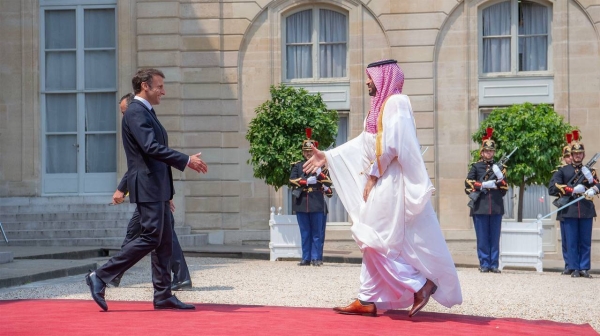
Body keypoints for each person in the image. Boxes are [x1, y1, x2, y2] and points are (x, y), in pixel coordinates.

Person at [302, 59, 462, 317]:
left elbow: (393, 145)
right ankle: (366, 298)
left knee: (370, 239)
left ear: (384, 78)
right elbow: (362, 144)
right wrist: (328, 157)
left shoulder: (397, 103)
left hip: (390, 183)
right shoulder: (376, 110)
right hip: (381, 182)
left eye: (370, 77)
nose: (367, 82)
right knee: (372, 239)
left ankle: (420, 284)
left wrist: (373, 176)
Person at [85, 68, 207, 311]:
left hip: (157, 187)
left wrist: (168, 192)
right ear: (144, 86)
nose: (164, 91)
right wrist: (185, 160)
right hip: (148, 185)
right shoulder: (135, 111)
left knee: (163, 242)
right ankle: (100, 276)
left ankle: (163, 295)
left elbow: (154, 152)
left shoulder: (146, 112)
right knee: (151, 236)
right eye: (159, 86)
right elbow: (150, 148)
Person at [110, 93, 192, 291]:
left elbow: (140, 164)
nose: (124, 117)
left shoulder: (139, 120)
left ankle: (109, 274)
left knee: (144, 235)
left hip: (150, 192)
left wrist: (121, 189)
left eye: (124, 112)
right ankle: (179, 279)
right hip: (155, 191)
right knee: (164, 235)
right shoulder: (145, 122)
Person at [548, 131, 596, 278]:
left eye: (580, 154)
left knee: (585, 241)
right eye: (575, 154)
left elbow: (597, 184)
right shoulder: (563, 170)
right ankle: (574, 267)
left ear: (583, 155)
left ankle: (584, 268)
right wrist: (572, 189)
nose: (577, 156)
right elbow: (554, 186)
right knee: (572, 241)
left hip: (586, 209)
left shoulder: (590, 171)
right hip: (570, 210)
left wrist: (593, 188)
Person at [464, 128, 508, 274]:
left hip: (495, 206)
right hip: (480, 206)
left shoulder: (499, 168)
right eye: (487, 151)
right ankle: (484, 263)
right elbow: (468, 183)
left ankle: (494, 264)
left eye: (491, 151)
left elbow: (505, 188)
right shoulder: (476, 167)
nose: (489, 153)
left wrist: (499, 178)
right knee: (482, 238)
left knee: (494, 237)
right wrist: (482, 185)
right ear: (482, 152)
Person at [289, 129, 333, 266]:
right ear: (303, 152)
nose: (308, 153)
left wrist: (320, 173)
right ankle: (306, 258)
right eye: (306, 151)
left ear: (315, 152)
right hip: (302, 202)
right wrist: (306, 182)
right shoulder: (298, 166)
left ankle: (316, 258)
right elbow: (292, 181)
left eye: (311, 151)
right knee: (305, 232)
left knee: (317, 233)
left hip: (316, 202)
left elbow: (329, 187)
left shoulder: (323, 168)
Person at [550, 138, 573, 275]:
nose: (570, 158)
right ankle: (569, 264)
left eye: (571, 155)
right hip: (565, 209)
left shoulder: (583, 170)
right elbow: (552, 189)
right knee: (567, 240)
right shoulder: (560, 171)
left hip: (579, 208)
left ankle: (579, 265)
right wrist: (567, 189)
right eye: (567, 156)